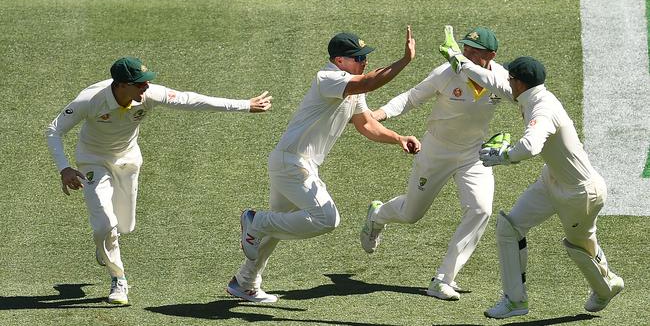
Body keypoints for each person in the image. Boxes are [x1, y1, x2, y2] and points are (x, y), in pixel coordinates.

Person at [45, 57, 273, 305]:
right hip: (93, 162)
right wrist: (64, 168)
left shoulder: (149, 94)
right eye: (139, 83)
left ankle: (105, 246)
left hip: (129, 161)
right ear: (121, 85)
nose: (146, 87)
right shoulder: (89, 100)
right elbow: (54, 130)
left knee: (124, 227)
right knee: (104, 224)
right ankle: (118, 280)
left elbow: (191, 100)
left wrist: (244, 105)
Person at [226, 27, 420, 303]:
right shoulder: (328, 78)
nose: (363, 61)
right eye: (357, 57)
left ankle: (244, 282)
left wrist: (398, 138)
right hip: (293, 162)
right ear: (339, 60)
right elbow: (367, 82)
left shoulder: (352, 87)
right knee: (327, 219)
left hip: (293, 163)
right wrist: (404, 61)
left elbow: (365, 125)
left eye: (364, 57)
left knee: (275, 231)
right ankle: (254, 221)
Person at [439, 32, 624, 318]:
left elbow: (530, 145)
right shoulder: (529, 93)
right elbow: (493, 81)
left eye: (512, 77)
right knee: (509, 227)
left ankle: (605, 286)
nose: (507, 81)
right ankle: (515, 301)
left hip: (579, 193)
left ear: (521, 83)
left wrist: (503, 157)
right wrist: (460, 61)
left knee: (580, 245)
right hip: (551, 182)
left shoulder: (543, 108)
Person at [359, 26, 506, 300]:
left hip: (473, 155)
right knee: (411, 214)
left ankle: (443, 279)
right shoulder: (447, 73)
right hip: (436, 152)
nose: (467, 55)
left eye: (475, 52)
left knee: (480, 209)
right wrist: (377, 115)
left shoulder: (501, 79)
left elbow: (523, 100)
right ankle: (377, 215)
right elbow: (411, 97)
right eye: (466, 49)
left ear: (492, 55)